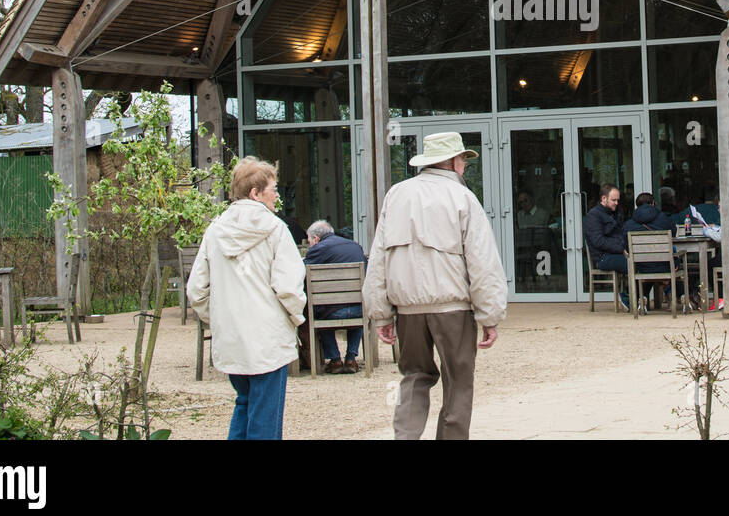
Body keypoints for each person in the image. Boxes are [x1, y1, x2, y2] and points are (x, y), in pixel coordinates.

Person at [364, 132, 506, 440]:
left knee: (413, 376)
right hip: (452, 307)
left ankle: (405, 437)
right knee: (458, 381)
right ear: (455, 162)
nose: (465, 167)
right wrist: (489, 316)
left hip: (408, 310)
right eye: (464, 160)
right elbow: (482, 261)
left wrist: (381, 314)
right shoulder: (463, 198)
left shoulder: (396, 195)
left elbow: (378, 259)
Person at [187, 157, 306, 440]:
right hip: (268, 337)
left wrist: (217, 317)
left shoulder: (214, 230)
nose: (277, 195)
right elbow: (289, 287)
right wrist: (294, 318)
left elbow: (196, 289)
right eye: (273, 188)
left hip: (232, 337)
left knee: (245, 402)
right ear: (255, 193)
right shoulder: (277, 229)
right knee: (265, 412)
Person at [304, 219, 366, 374]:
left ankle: (335, 360)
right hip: (360, 309)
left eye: (309, 241)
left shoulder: (317, 250)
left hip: (331, 313)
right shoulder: (355, 246)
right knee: (355, 304)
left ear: (316, 239)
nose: (309, 244)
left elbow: (302, 272)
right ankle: (351, 359)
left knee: (319, 308)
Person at [583, 183, 629, 308]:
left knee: (646, 262)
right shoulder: (593, 216)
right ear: (603, 198)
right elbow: (598, 241)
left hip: (616, 253)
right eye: (613, 200)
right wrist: (622, 249)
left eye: (618, 200)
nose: (616, 203)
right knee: (635, 265)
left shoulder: (616, 212)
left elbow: (621, 233)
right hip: (602, 257)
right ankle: (628, 298)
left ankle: (637, 297)